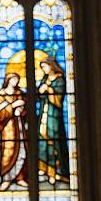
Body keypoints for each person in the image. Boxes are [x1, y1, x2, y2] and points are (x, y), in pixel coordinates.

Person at [37, 56, 70, 185]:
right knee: (42, 136)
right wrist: (40, 91)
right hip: (44, 113)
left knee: (54, 137)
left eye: (44, 66)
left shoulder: (60, 78)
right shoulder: (45, 78)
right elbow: (39, 93)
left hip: (54, 114)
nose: (43, 69)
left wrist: (49, 89)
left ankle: (58, 171)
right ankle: (45, 168)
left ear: (51, 65)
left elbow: (59, 97)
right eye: (42, 67)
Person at [0, 72, 29, 191]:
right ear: (8, 80)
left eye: (17, 79)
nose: (15, 81)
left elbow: (27, 110)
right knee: (8, 152)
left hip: (19, 126)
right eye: (13, 79)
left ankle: (20, 177)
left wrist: (21, 109)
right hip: (8, 129)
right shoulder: (1, 94)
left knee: (22, 150)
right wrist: (12, 106)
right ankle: (6, 178)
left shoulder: (19, 93)